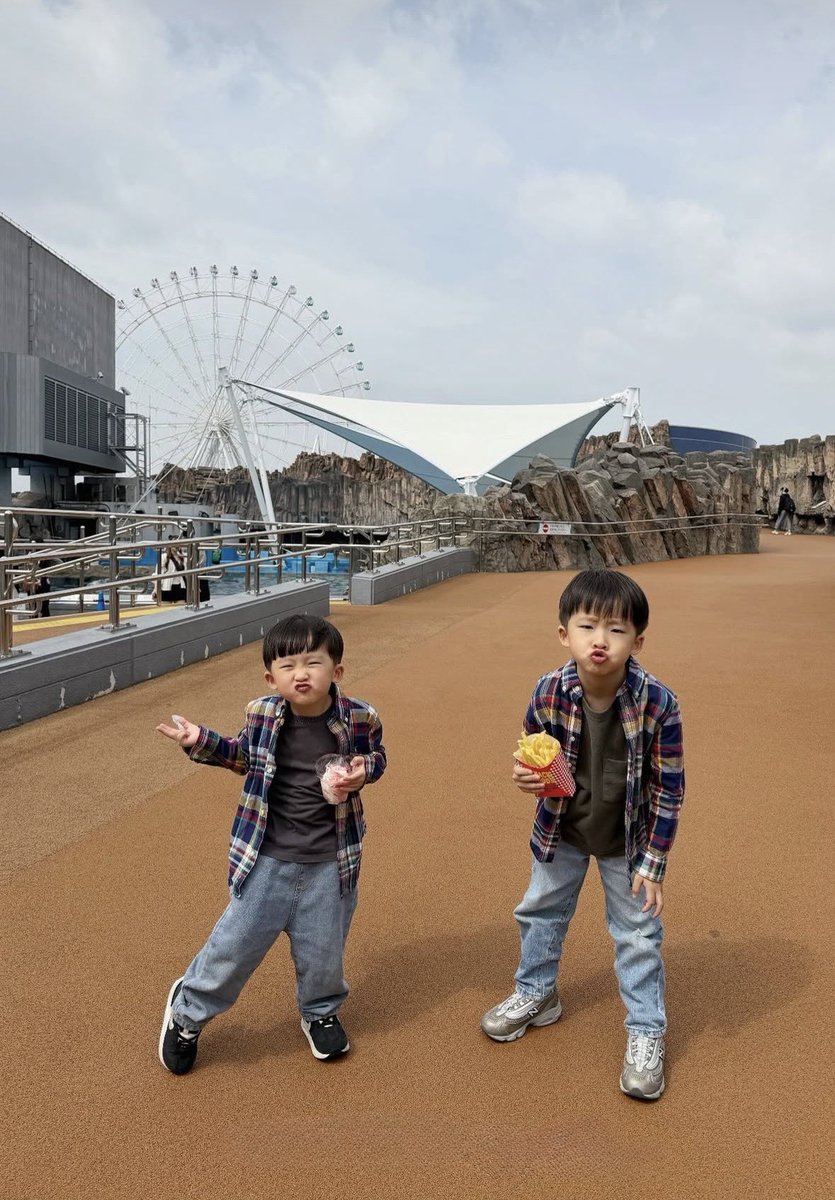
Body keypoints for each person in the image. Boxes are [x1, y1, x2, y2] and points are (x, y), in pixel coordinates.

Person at [480, 568, 684, 1101]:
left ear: (637, 641)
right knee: (539, 911)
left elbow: (669, 789)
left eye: (616, 630)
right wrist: (528, 777)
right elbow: (535, 756)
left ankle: (646, 1031)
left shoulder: (659, 702)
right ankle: (536, 993)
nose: (600, 640)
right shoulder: (549, 691)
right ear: (564, 634)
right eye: (587, 626)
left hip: (629, 842)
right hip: (562, 831)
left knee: (638, 935)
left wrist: (653, 863)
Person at [155, 613, 386, 1074]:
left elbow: (375, 759)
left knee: (324, 952)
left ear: (335, 671)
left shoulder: (361, 716)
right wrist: (198, 740)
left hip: (330, 862)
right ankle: (187, 1012)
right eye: (287, 665)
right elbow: (242, 756)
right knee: (234, 947)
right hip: (266, 859)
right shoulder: (261, 713)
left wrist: (362, 771)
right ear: (270, 676)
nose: (300, 674)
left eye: (312, 663)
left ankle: (320, 1013)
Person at [160, 538, 186, 602]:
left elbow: (189, 573)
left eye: (178, 544)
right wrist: (155, 589)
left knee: (181, 608)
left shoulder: (183, 557)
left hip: (181, 586)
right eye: (174, 544)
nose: (176, 546)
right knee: (166, 609)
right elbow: (158, 574)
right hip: (166, 587)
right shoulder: (164, 557)